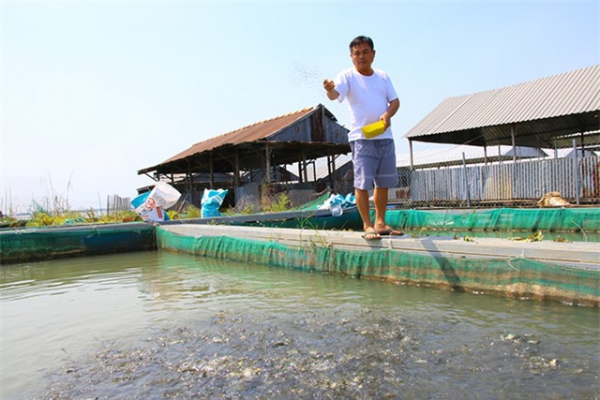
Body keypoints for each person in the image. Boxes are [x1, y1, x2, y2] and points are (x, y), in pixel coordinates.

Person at [323, 35, 403, 240]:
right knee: (362, 183)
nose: (361, 56)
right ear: (351, 56)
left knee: (383, 183)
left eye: (365, 52)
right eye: (356, 53)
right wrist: (330, 90)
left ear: (373, 54)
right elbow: (334, 95)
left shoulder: (383, 77)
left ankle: (381, 223)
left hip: (384, 137)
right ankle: (367, 225)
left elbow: (395, 102)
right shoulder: (347, 76)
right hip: (361, 138)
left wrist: (387, 114)